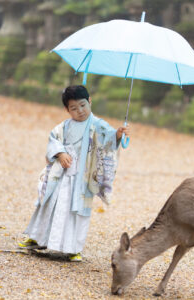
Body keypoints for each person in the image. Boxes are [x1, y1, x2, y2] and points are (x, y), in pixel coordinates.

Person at [18, 85, 129, 261]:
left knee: (76, 212)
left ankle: (73, 248)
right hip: (61, 175)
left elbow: (108, 139)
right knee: (50, 205)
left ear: (90, 101)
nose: (80, 111)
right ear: (66, 109)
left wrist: (117, 134)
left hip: (82, 178)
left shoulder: (97, 125)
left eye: (83, 105)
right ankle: (38, 238)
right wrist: (60, 153)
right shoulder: (64, 127)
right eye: (74, 108)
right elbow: (53, 139)